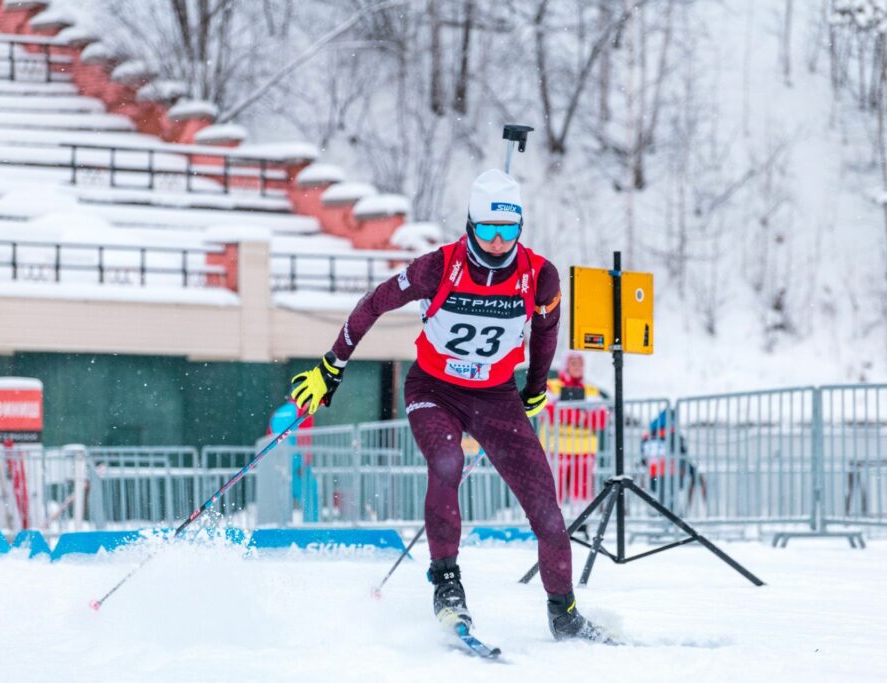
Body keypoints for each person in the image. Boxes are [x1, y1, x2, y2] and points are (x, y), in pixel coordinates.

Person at [290, 169, 604, 641]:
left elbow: (546, 331)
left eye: (509, 230)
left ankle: (565, 613)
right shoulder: (438, 267)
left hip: (496, 397)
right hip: (433, 390)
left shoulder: (540, 275)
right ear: (470, 225)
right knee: (447, 461)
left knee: (546, 509)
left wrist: (536, 386)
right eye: (487, 230)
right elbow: (374, 303)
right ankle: (447, 584)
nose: (498, 241)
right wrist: (333, 364)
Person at [544, 352, 608, 511]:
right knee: (553, 491)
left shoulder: (591, 390)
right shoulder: (552, 386)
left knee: (582, 492)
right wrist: (581, 415)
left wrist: (572, 415)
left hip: (583, 451)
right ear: (566, 365)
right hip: (556, 449)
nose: (578, 366)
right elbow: (548, 411)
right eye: (573, 363)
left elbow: (601, 418)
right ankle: (552, 524)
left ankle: (581, 523)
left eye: (580, 363)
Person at [639, 409, 707, 513]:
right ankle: (689, 511)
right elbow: (682, 455)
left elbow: (643, 459)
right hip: (673, 474)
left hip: (653, 476)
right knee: (672, 501)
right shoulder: (673, 434)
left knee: (663, 502)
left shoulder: (647, 436)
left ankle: (665, 515)